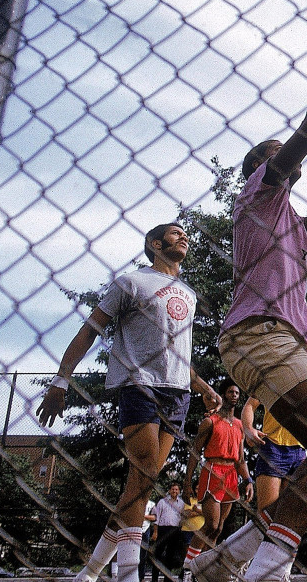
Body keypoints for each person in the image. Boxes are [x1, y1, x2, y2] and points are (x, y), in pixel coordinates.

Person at [187, 20, 307, 582]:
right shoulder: (260, 193)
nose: (295, 158)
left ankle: (227, 560)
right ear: (263, 170)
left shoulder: (286, 219)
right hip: (260, 334)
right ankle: (267, 569)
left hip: (269, 340)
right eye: (283, 154)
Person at [37, 223, 221, 582]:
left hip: (178, 393)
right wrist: (61, 381)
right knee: (146, 475)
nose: (183, 236)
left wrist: (201, 385)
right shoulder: (131, 283)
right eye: (173, 233)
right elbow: (89, 329)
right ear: (155, 245)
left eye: (185, 233)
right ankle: (127, 575)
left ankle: (88, 574)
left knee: (139, 485)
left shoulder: (188, 292)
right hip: (140, 385)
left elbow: (178, 350)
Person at [184, 381, 252, 568]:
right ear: (223, 395)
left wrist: (247, 480)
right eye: (230, 392)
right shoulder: (209, 422)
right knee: (211, 525)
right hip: (213, 470)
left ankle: (204, 569)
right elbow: (195, 452)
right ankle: (187, 566)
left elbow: (240, 459)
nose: (235, 395)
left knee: (219, 528)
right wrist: (187, 482)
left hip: (231, 474)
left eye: (237, 392)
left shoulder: (239, 425)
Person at [240, 398, 307, 511]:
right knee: (267, 512)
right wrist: (248, 429)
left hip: (300, 449)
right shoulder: (271, 380)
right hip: (273, 446)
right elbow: (250, 405)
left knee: (292, 512)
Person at [151, 483, 186, 582]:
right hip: (163, 529)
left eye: (176, 490)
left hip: (174, 531)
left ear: (179, 491)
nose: (174, 491)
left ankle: (167, 579)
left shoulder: (181, 504)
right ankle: (154, 579)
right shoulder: (162, 502)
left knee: (170, 555)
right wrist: (155, 532)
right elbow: (156, 518)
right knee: (158, 554)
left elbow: (182, 518)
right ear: (169, 490)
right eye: (173, 489)